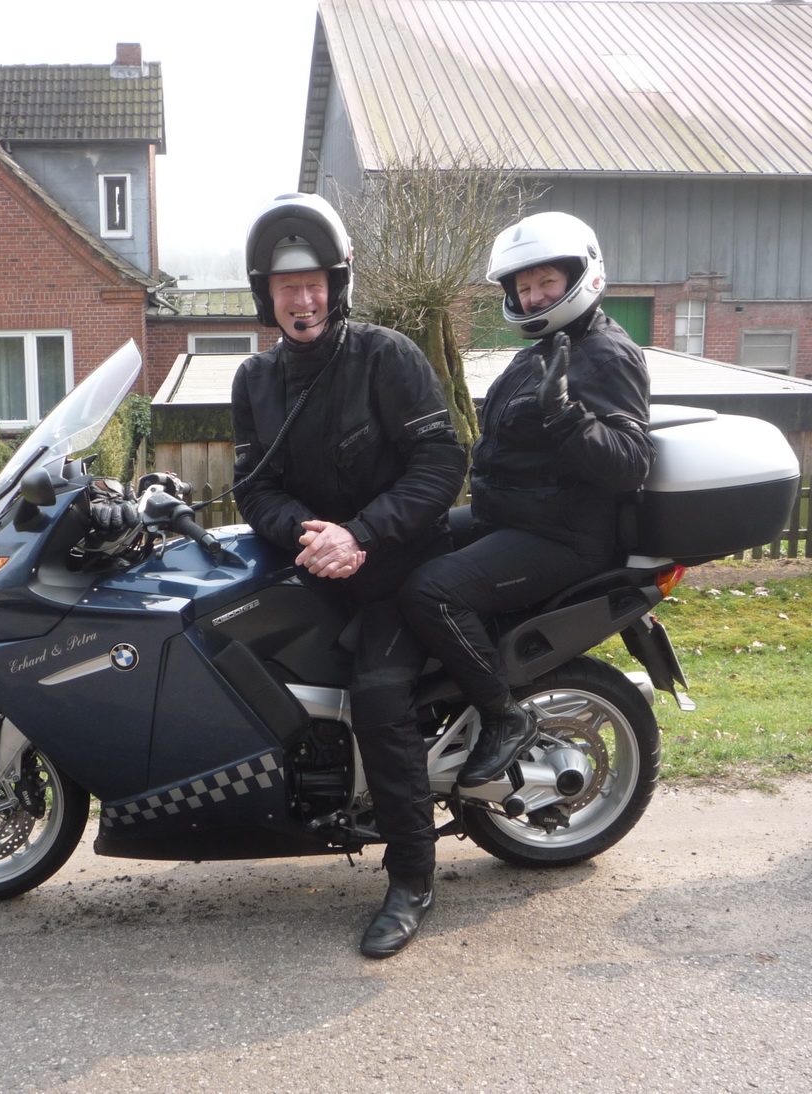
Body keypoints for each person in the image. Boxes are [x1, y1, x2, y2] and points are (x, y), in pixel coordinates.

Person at [231, 192, 467, 958]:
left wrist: (360, 534)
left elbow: (441, 462)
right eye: (286, 288)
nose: (301, 301)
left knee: (378, 695)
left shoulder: (385, 356)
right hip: (315, 562)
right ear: (266, 295)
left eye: (312, 285)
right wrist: (310, 533)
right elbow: (253, 487)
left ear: (335, 286)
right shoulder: (254, 380)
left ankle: (411, 881)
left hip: (401, 566)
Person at [399, 211, 654, 788]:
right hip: (509, 518)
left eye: (546, 282)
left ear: (580, 276)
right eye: (523, 286)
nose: (533, 297)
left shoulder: (606, 353)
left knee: (432, 592)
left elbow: (630, 463)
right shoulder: (541, 348)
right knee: (401, 546)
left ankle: (502, 715)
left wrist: (567, 417)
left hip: (563, 536)